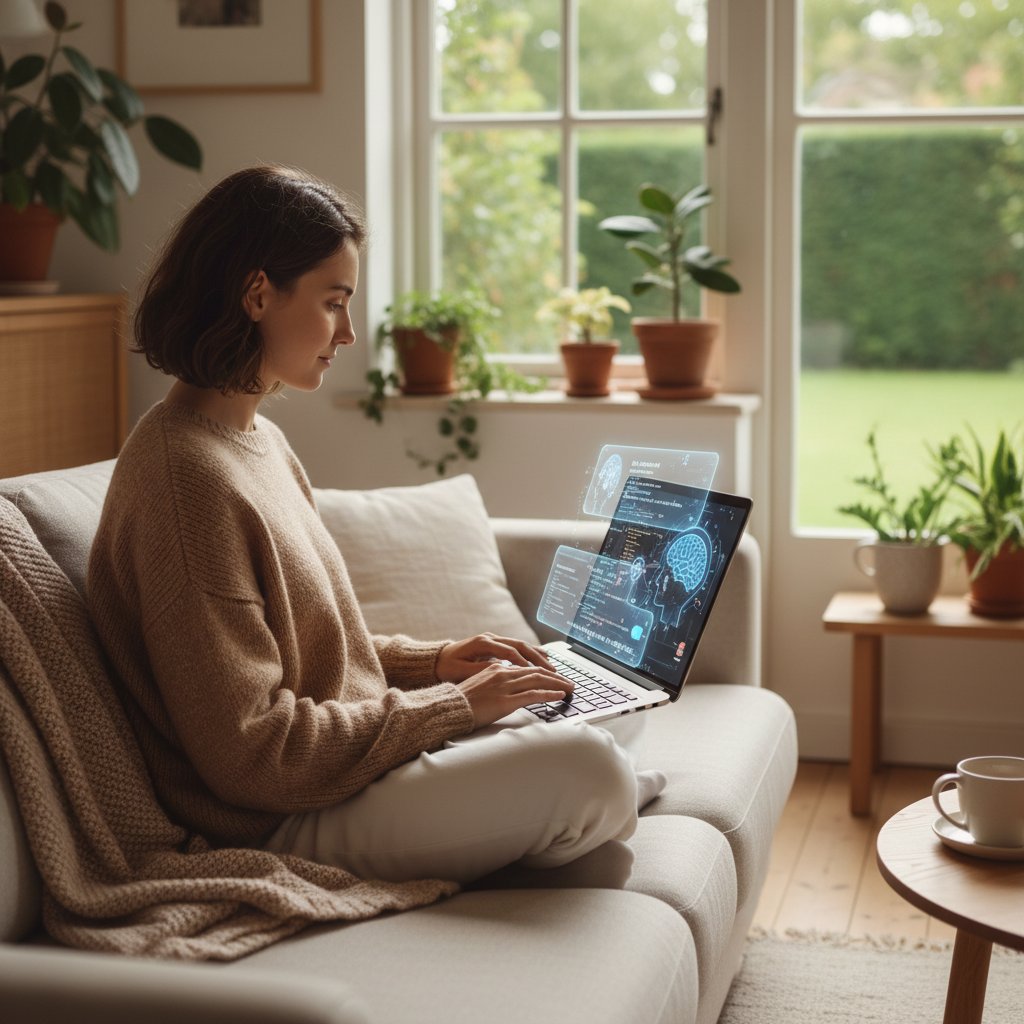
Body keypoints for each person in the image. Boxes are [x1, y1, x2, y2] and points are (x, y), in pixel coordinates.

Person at [87, 164, 663, 888]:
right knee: (590, 768)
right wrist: (451, 709)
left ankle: (544, 814)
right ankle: (564, 811)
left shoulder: (257, 442)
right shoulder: (184, 480)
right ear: (258, 294)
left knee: (582, 694)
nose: (351, 332)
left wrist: (439, 664)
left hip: (352, 762)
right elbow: (254, 754)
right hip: (289, 814)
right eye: (334, 303)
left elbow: (315, 652)